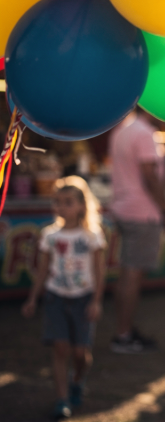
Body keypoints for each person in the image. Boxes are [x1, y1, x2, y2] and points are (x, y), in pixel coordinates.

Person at [22, 177, 107, 419]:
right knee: (60, 348)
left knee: (80, 353)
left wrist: (96, 300)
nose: (61, 207)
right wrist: (32, 298)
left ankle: (78, 380)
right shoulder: (50, 235)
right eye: (57, 202)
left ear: (82, 205)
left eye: (68, 202)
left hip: (83, 298)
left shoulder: (92, 235)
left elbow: (99, 271)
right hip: (55, 297)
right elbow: (43, 270)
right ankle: (62, 399)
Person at [108, 109, 165, 353]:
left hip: (123, 206)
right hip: (141, 210)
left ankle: (125, 330)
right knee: (132, 275)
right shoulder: (144, 133)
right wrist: (164, 206)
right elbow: (149, 174)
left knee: (126, 273)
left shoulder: (122, 129)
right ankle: (124, 334)